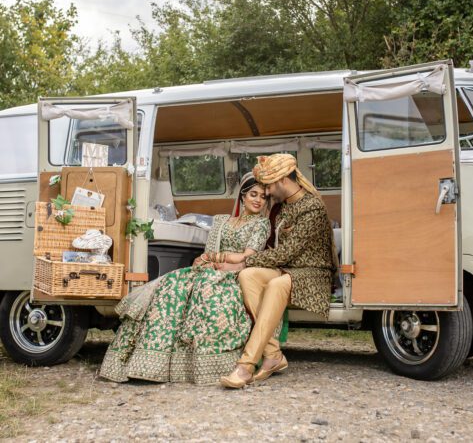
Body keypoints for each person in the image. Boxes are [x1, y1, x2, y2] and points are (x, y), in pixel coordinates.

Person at [100, 172, 270, 385]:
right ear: (243, 196)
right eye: (253, 194)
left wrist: (217, 259)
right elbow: (208, 252)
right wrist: (204, 260)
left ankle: (197, 365)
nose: (258, 200)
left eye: (263, 197)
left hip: (235, 272)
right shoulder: (223, 221)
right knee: (172, 284)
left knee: (208, 289)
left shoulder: (261, 224)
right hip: (211, 267)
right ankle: (148, 362)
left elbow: (248, 257)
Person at [219, 153, 335, 388]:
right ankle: (273, 355)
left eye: (269, 186)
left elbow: (286, 253)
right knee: (248, 276)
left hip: (313, 274)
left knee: (271, 281)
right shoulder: (282, 209)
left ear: (283, 180)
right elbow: (279, 255)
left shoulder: (313, 207)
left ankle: (245, 366)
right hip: (287, 270)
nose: (268, 192)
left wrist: (243, 261)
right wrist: (243, 265)